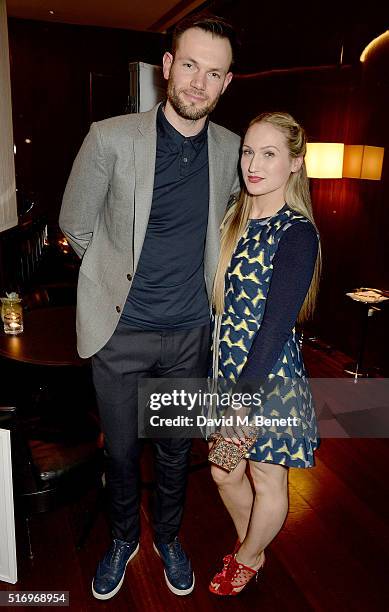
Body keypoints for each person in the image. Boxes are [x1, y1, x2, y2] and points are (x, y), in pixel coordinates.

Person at [59, 13, 240, 601]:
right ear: (167, 67)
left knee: (171, 453)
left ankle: (167, 537)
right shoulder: (110, 137)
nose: (197, 82)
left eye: (213, 74)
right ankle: (121, 538)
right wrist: (116, 281)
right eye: (189, 65)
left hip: (188, 334)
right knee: (120, 450)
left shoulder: (234, 152)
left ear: (226, 83)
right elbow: (76, 227)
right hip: (121, 335)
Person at [207, 111, 321, 596]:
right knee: (222, 470)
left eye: (269, 154)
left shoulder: (296, 233)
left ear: (295, 162)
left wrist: (244, 397)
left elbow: (275, 327)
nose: (253, 164)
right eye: (249, 151)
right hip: (229, 371)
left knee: (264, 476)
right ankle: (251, 544)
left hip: (266, 379)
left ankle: (248, 557)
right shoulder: (235, 212)